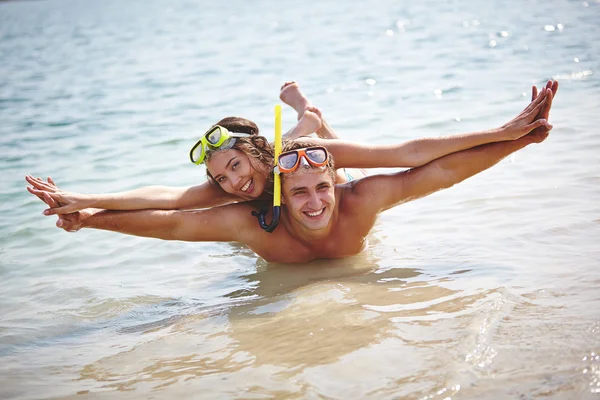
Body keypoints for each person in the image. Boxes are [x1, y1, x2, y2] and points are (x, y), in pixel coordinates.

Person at [32, 81, 556, 263]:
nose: (232, 182)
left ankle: (304, 102)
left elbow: (413, 155)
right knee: (236, 196)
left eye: (235, 166)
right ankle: (303, 108)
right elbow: (169, 207)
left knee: (314, 133)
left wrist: (505, 134)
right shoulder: (232, 197)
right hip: (281, 175)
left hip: (302, 147)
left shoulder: (297, 157)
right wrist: (85, 205)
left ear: (258, 156)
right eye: (221, 178)